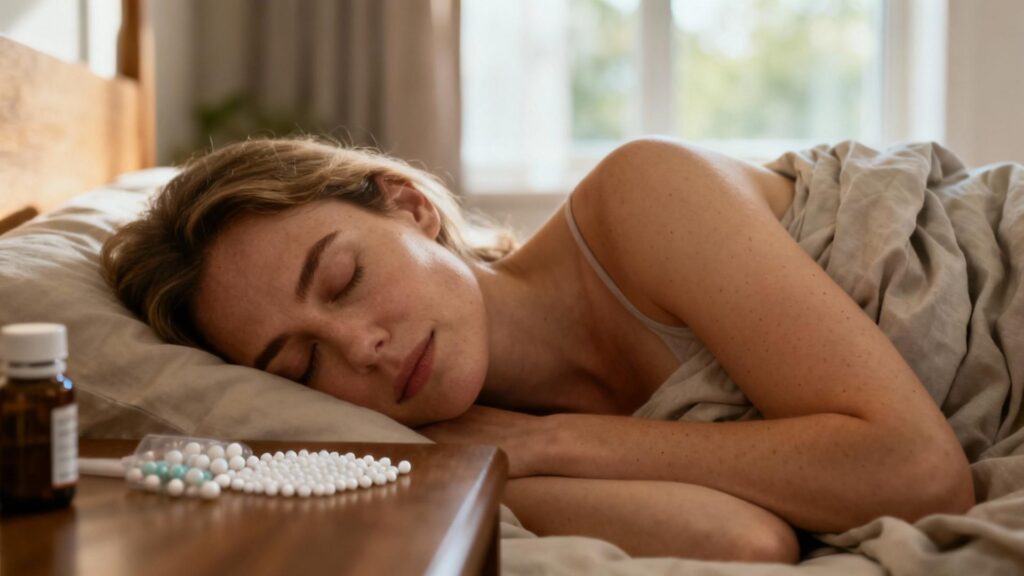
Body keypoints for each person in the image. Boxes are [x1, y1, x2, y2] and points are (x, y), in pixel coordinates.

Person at [102, 135, 975, 563]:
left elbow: (918, 470)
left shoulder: (642, 196)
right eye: (301, 368)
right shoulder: (477, 448)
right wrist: (510, 462)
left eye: (341, 280)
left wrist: (553, 441)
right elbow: (746, 544)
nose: (360, 348)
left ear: (409, 207)